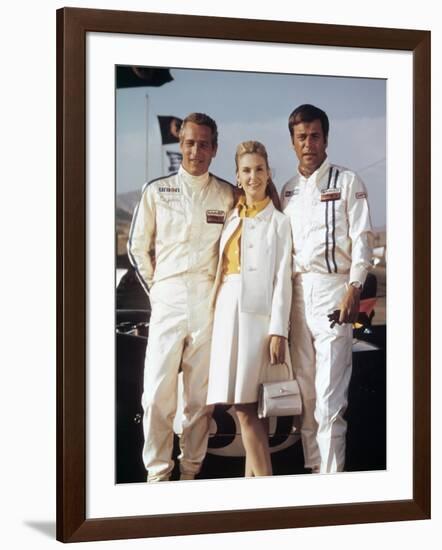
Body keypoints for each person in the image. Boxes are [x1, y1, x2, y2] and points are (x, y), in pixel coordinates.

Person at [128, 113, 234, 482]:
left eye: (204, 144)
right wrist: (156, 290)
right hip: (167, 296)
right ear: (180, 145)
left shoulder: (227, 194)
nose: (196, 151)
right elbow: (137, 247)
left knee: (198, 400)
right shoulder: (157, 190)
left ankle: (190, 473)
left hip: (208, 301)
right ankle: (157, 475)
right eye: (190, 143)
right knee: (156, 395)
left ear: (214, 149)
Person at [281, 104, 374, 473]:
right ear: (292, 142)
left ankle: (333, 485)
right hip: (297, 295)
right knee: (305, 396)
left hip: (335, 293)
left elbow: (362, 239)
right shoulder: (287, 191)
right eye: (302, 137)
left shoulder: (348, 181)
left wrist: (354, 287)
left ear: (326, 138)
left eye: (315, 136)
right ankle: (313, 475)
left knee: (329, 399)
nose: (309, 144)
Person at [207, 141, 292, 477]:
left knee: (246, 407)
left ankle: (267, 492)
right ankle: (251, 493)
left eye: (259, 169)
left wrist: (278, 330)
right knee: (244, 407)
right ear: (238, 177)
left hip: (258, 320)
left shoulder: (279, 223)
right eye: (246, 170)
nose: (253, 176)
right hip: (227, 313)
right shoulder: (231, 218)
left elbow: (282, 279)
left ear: (268, 172)